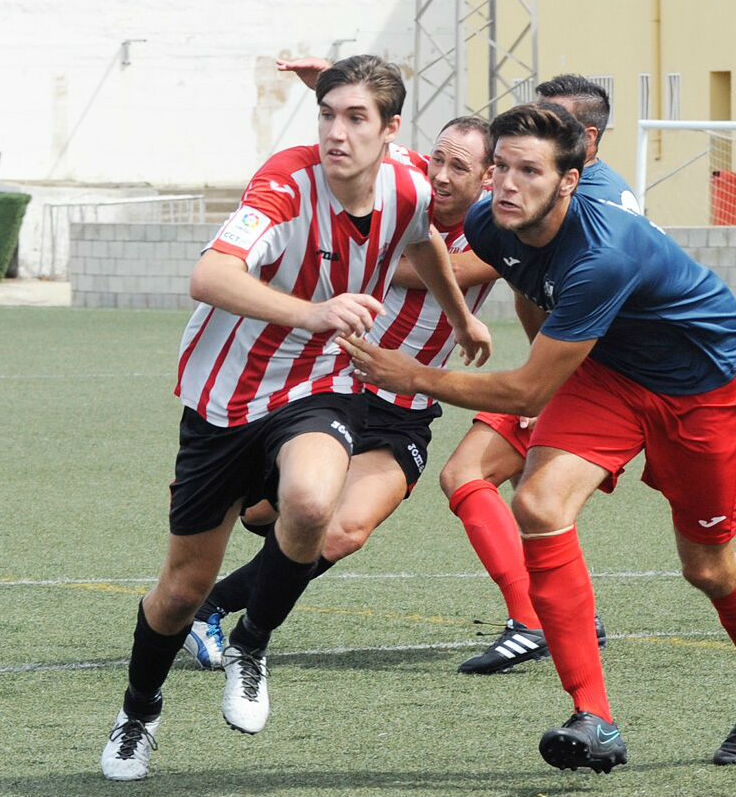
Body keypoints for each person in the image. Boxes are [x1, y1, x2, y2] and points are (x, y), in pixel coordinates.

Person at [339, 102, 736, 773]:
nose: (504, 183)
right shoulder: (488, 223)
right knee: (537, 503)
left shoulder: (603, 253)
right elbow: (530, 287)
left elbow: (525, 390)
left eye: (527, 170)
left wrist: (417, 374)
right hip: (609, 373)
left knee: (706, 565)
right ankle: (595, 718)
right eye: (499, 166)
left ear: (567, 182)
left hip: (704, 385)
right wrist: (540, 357)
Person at [100, 54, 490, 781]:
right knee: (182, 588)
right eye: (326, 114)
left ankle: (250, 643)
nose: (335, 133)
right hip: (222, 398)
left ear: (390, 129)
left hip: (318, 386)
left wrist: (462, 315)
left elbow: (421, 240)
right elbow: (209, 275)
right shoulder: (285, 179)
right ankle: (138, 712)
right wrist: (313, 311)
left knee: (314, 503)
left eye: (354, 117)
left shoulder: (408, 184)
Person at [182, 113, 501, 670]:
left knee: (346, 529)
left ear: (490, 178)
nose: (443, 174)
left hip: (407, 407)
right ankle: (217, 555)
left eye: (461, 166)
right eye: (439, 159)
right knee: (265, 512)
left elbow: (453, 265)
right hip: (340, 385)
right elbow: (355, 144)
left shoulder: (497, 231)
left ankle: (216, 607)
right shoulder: (398, 199)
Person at [440, 74, 636, 675]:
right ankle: (545, 622)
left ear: (587, 143)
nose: (531, 141)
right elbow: (530, 287)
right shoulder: (546, 197)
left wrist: (356, 259)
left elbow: (460, 270)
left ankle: (538, 623)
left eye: (551, 122)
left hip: (612, 382)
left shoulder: (587, 206)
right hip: (566, 368)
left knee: (708, 562)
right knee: (473, 477)